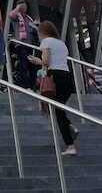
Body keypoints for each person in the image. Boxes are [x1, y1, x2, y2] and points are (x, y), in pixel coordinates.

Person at [27, 21, 77, 155]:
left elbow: (46, 62)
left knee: (58, 111)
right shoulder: (61, 43)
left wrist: (35, 61)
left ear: (42, 32)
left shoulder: (46, 42)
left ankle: (70, 145)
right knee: (59, 108)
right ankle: (70, 127)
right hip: (67, 76)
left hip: (55, 76)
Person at [8, 0, 38, 90]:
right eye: (22, 6)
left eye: (25, 6)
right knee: (23, 65)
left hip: (31, 45)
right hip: (21, 44)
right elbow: (10, 15)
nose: (24, 8)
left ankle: (33, 85)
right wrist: (17, 8)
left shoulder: (29, 18)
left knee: (33, 66)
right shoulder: (17, 17)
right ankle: (25, 85)